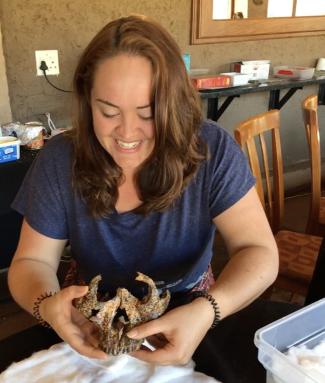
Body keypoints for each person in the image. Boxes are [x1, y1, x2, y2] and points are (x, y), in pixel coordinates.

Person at [8, 15, 279, 379]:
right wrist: (47, 306)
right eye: (108, 112)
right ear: (88, 100)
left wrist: (209, 310)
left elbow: (258, 251)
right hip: (89, 312)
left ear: (174, 103)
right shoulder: (60, 159)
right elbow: (31, 261)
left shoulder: (211, 149)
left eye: (149, 113)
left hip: (191, 303)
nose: (127, 133)